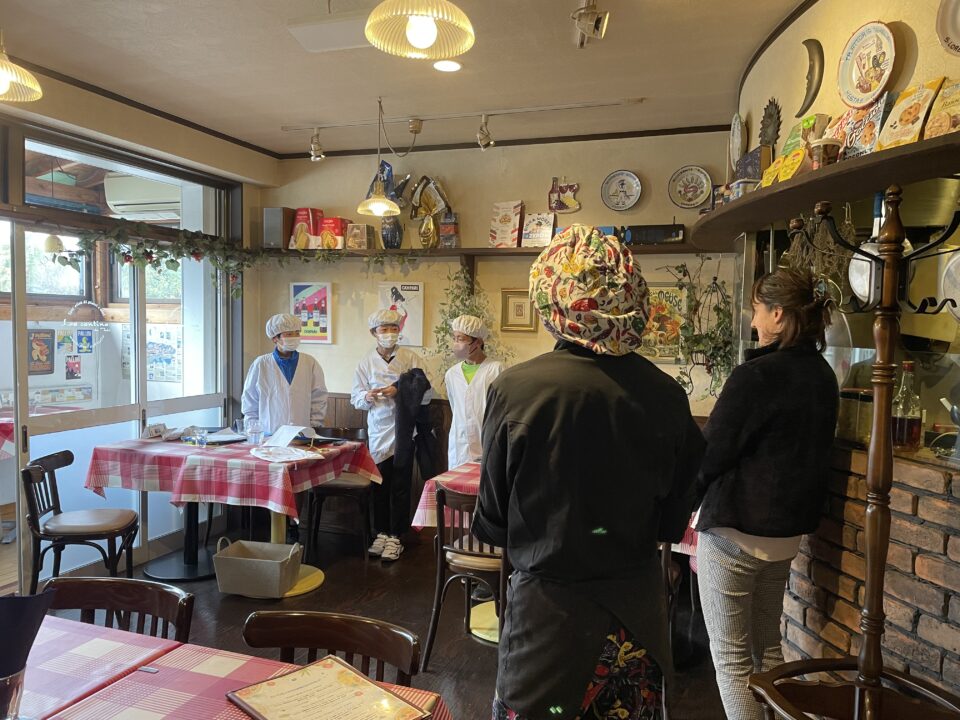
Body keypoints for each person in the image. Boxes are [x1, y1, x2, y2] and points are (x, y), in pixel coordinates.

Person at [473, 225, 705, 720]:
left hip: (547, 621)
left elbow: (493, 522)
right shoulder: (667, 395)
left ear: (551, 300)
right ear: (632, 299)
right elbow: (673, 521)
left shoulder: (516, 391)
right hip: (636, 617)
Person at [695, 268, 839, 720]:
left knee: (731, 660)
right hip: (785, 538)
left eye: (757, 310)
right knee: (767, 650)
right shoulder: (823, 375)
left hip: (736, 533)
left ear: (778, 314)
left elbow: (709, 455)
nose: (753, 320)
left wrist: (673, 501)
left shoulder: (756, 376)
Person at [351, 308, 432, 563]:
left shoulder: (411, 358)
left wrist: (400, 390)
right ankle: (381, 532)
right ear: (373, 333)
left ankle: (397, 535)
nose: (389, 333)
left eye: (393, 328)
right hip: (378, 430)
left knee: (401, 485)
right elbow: (355, 397)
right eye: (384, 329)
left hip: (404, 431)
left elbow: (426, 392)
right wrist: (367, 396)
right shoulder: (365, 362)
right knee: (380, 484)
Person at [241, 313, 328, 434]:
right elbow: (250, 400)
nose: (294, 337)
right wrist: (253, 429)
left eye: (297, 333)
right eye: (289, 334)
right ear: (274, 338)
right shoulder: (261, 364)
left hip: (302, 432)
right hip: (269, 433)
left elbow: (319, 397)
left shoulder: (309, 363)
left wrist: (314, 426)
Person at [444, 314, 504, 469]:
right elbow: (455, 406)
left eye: (461, 339)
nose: (456, 343)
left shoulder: (496, 370)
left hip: (487, 440)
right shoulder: (452, 374)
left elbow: (502, 409)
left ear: (478, 341)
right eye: (454, 338)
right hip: (459, 444)